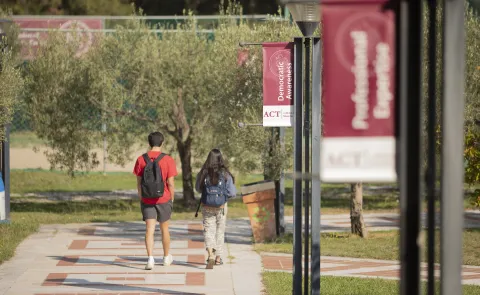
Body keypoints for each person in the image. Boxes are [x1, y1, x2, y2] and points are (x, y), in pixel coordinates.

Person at [133, 132, 177, 270]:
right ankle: (165, 258)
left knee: (149, 230)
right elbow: (170, 183)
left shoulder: (141, 159)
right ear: (162, 143)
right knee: (164, 229)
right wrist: (172, 198)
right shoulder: (168, 160)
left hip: (147, 199)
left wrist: (141, 196)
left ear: (149, 143)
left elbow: (139, 182)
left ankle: (150, 259)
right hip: (163, 199)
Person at [195, 149, 236, 268]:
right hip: (221, 207)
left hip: (206, 206)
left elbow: (198, 189)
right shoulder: (225, 174)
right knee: (220, 231)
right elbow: (232, 193)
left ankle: (210, 255)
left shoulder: (203, 173)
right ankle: (218, 258)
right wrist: (223, 197)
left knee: (208, 230)